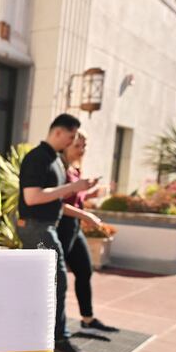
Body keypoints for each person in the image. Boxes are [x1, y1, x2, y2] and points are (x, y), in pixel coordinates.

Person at [17, 113, 97, 352]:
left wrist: (84, 214)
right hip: (37, 228)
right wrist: (73, 188)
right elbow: (32, 198)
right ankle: (58, 339)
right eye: (71, 137)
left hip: (43, 226)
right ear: (58, 132)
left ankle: (39, 334)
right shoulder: (38, 158)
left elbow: (54, 202)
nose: (73, 142)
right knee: (57, 279)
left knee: (45, 281)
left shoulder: (53, 160)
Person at [57, 132, 118, 334]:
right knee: (57, 279)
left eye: (84, 146)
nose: (82, 150)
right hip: (61, 226)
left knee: (84, 270)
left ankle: (88, 319)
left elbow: (74, 197)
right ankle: (55, 329)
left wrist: (92, 192)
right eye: (78, 146)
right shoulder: (59, 168)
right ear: (66, 145)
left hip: (75, 226)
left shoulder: (74, 170)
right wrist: (86, 216)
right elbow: (57, 203)